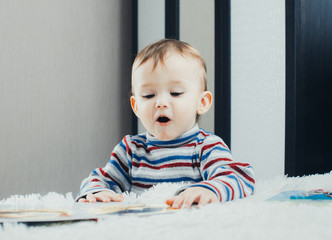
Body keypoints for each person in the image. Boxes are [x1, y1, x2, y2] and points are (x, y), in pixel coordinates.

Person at [76, 39, 255, 208]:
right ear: (136, 106)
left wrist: (207, 190)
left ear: (202, 102)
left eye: (175, 93)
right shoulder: (130, 150)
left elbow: (238, 177)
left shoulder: (206, 146)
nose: (160, 102)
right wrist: (97, 192)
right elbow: (102, 179)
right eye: (148, 95)